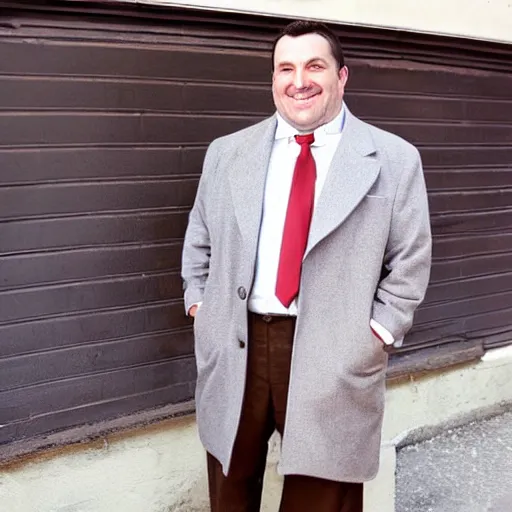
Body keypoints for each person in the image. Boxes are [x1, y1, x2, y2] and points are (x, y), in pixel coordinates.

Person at [181, 20, 431, 512]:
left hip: (337, 351)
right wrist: (200, 305)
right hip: (238, 344)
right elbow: (199, 239)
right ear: (273, 80)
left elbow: (410, 260)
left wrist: (377, 333)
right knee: (230, 489)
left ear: (342, 76)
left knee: (322, 497)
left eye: (315, 65)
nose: (300, 80)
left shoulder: (394, 159)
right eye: (285, 68)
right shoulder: (227, 153)